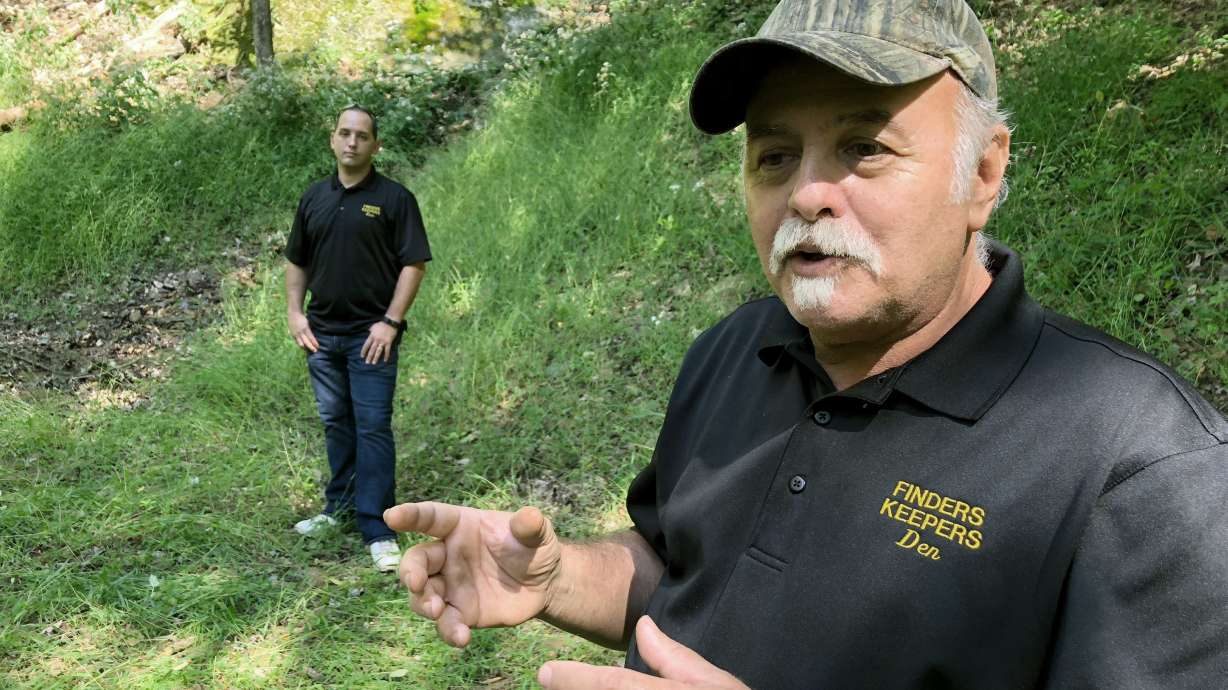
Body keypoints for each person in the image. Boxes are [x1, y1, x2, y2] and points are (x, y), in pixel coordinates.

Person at [385, 0, 1228, 686]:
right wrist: (557, 576)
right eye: (776, 156)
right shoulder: (733, 351)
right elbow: (681, 573)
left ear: (982, 173)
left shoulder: (1142, 471)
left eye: (864, 149)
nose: (809, 194)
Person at [286, 105, 431, 572]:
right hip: (321, 337)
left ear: (375, 146)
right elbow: (296, 262)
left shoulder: (394, 199)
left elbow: (414, 264)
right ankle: (339, 508)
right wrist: (294, 313)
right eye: (345, 134)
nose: (352, 142)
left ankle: (378, 526)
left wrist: (390, 321)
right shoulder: (313, 198)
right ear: (333, 140)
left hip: (372, 338)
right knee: (337, 424)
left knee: (371, 427)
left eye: (362, 136)